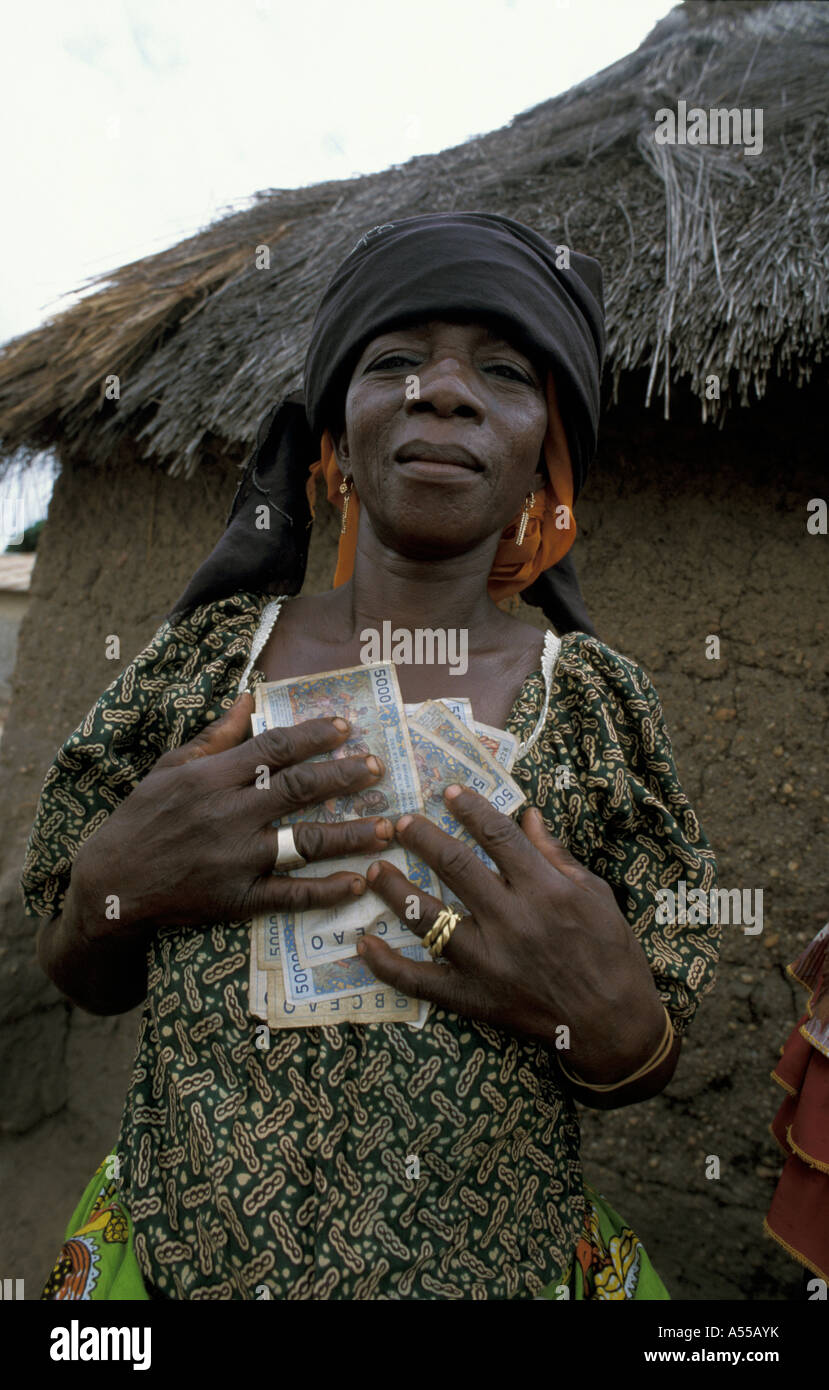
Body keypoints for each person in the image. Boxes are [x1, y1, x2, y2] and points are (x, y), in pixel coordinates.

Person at [26, 213, 720, 1301]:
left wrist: (618, 1020)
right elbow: (75, 964)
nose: (443, 391)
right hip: (170, 1267)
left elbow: (642, 1053)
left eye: (501, 369)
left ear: (548, 453)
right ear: (335, 441)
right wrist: (111, 890)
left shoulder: (596, 710)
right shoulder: (204, 668)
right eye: (395, 360)